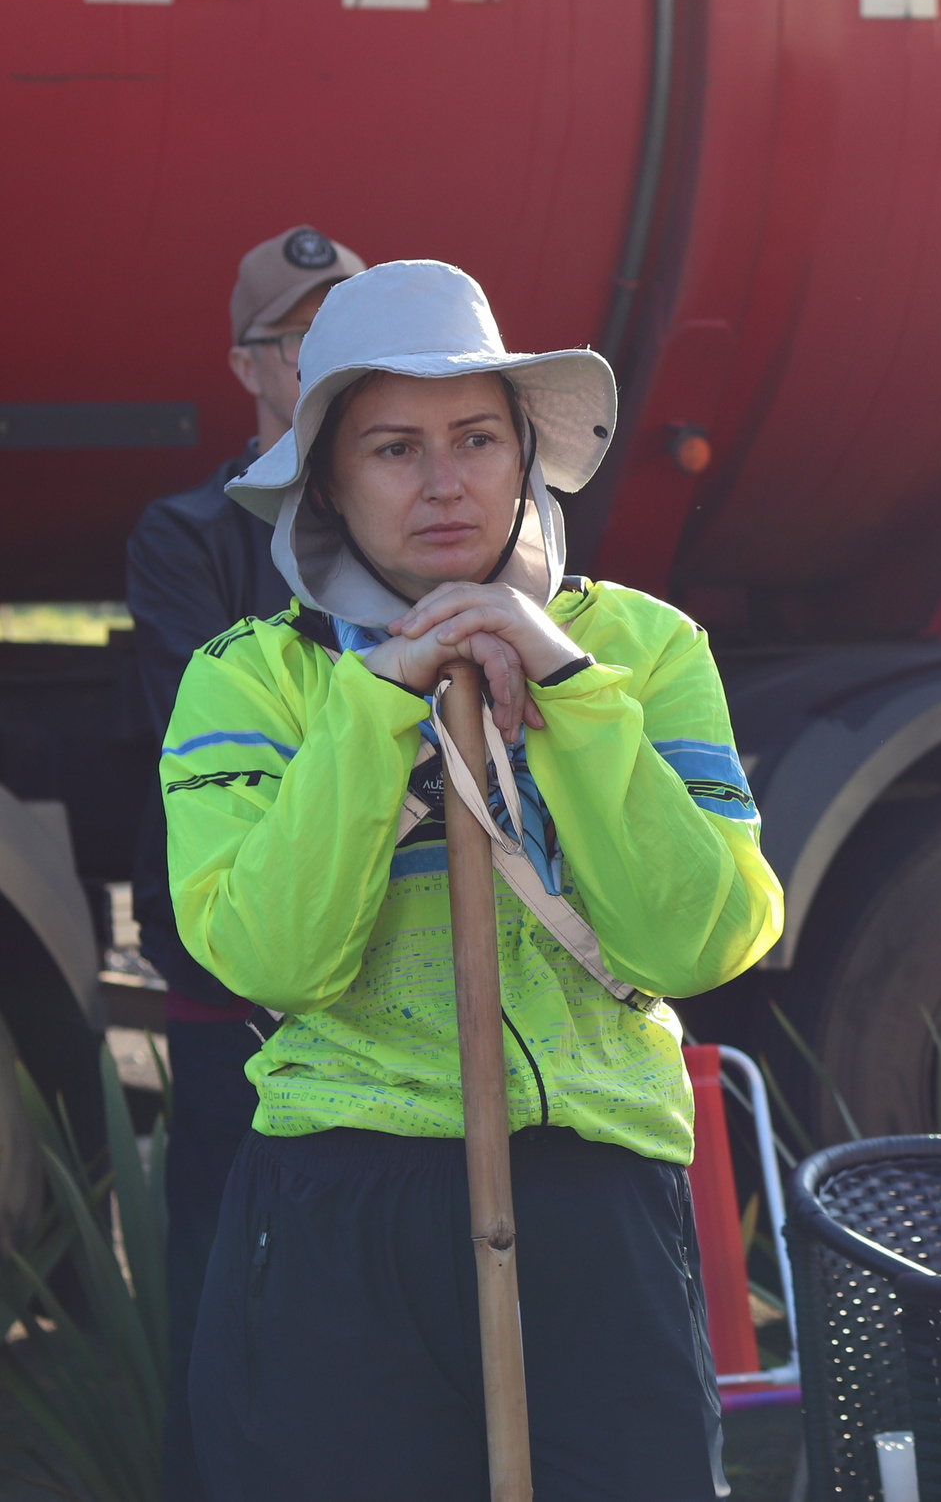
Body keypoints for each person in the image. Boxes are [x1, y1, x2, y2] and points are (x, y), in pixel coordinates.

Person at [162, 259, 783, 1501]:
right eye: (393, 448)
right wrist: (375, 703)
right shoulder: (249, 678)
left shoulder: (648, 650)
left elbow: (703, 943)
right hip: (346, 1204)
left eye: (476, 440)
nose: (444, 483)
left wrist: (566, 690)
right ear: (328, 478)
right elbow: (273, 962)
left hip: (597, 1199)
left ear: (526, 460)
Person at [127, 223, 364, 1502]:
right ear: (247, 366)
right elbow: (220, 745)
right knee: (229, 1308)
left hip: (392, 998)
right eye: (304, 337)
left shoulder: (421, 515)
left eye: (354, 328)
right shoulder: (184, 536)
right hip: (237, 1001)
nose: (334, 358)